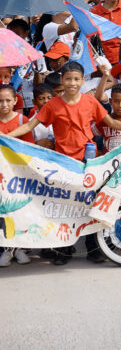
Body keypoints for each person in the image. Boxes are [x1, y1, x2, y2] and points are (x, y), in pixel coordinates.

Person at [5, 62, 121, 265]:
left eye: (76, 79)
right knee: (63, 206)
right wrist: (5, 136)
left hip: (88, 162)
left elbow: (111, 123)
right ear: (62, 80)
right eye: (68, 79)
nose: (72, 83)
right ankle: (63, 250)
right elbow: (30, 126)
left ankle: (94, 249)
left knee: (91, 204)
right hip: (63, 162)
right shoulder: (52, 105)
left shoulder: (90, 102)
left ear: (83, 80)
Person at [0, 83, 34, 267]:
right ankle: (6, 248)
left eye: (7, 100)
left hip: (18, 177)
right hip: (0, 177)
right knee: (4, 214)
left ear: (15, 101)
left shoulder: (23, 120)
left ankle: (21, 248)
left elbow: (29, 149)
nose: (4, 104)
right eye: (0, 101)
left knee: (21, 212)